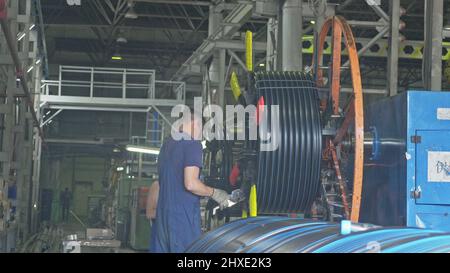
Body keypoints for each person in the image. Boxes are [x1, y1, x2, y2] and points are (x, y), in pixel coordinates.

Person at [149, 112, 229, 253]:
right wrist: (215, 193)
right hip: (182, 218)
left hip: (162, 218)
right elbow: (190, 184)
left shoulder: (166, 146)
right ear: (195, 123)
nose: (201, 135)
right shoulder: (192, 144)